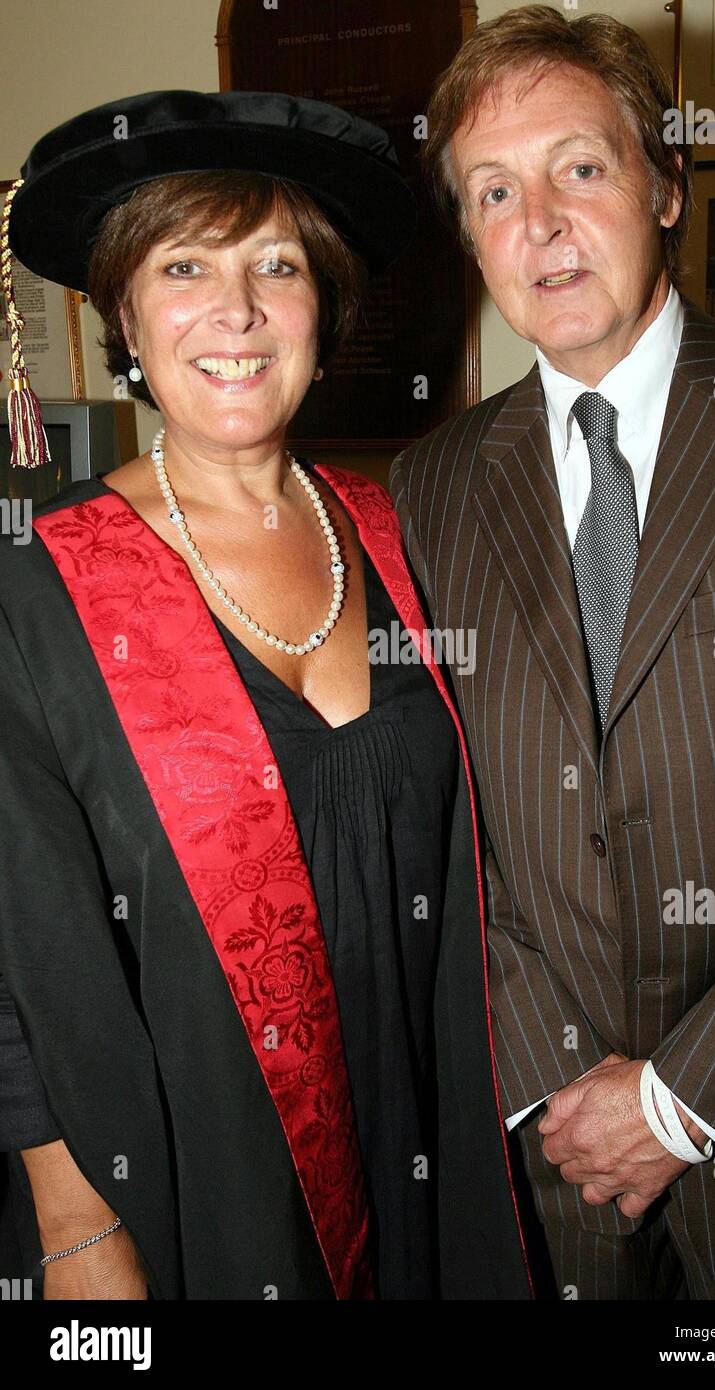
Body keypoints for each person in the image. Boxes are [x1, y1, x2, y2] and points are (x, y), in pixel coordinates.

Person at [0, 89, 533, 1301]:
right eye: (184, 265)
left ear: (322, 305)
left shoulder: (398, 534)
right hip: (187, 1177)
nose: (235, 311)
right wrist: (81, 1228)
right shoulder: (34, 588)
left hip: (422, 1142)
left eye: (276, 265)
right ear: (123, 314)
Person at [390, 7, 715, 1300]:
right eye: (493, 190)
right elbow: (443, 806)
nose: (537, 220)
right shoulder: (427, 490)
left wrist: (686, 1095)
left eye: (579, 168)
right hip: (548, 1177)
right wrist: (551, 1079)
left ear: (667, 186)